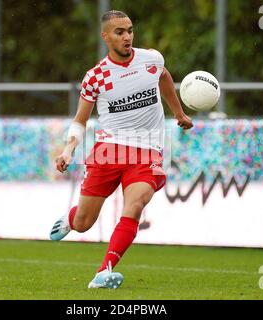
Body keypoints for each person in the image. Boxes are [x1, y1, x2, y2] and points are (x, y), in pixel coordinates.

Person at [50, 10, 193, 289]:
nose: (127, 36)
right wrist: (69, 150)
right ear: (106, 36)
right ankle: (71, 219)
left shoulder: (151, 60)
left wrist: (179, 113)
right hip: (109, 152)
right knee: (84, 222)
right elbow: (80, 121)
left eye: (129, 30)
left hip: (147, 151)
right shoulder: (96, 77)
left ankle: (104, 272)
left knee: (135, 205)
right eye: (120, 32)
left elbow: (163, 77)